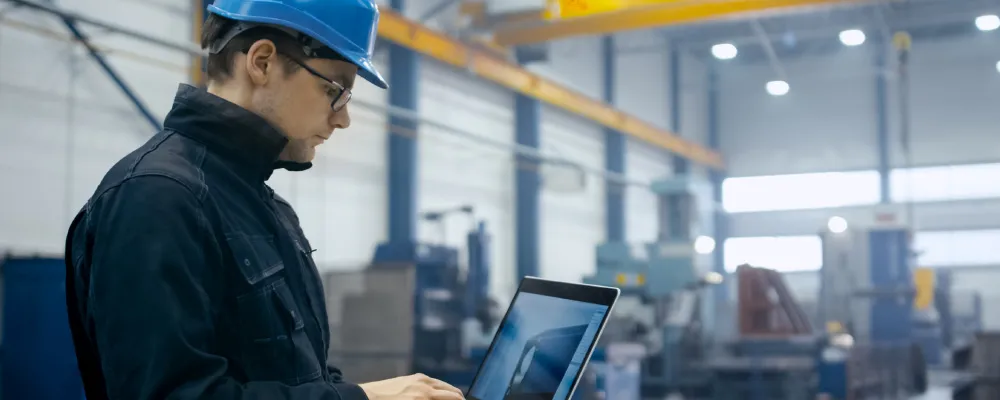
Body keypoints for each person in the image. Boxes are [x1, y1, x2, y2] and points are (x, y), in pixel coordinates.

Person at [63, 0, 464, 399]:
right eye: (336, 91)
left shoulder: (266, 208)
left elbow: (303, 375)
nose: (343, 118)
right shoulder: (156, 197)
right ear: (263, 62)